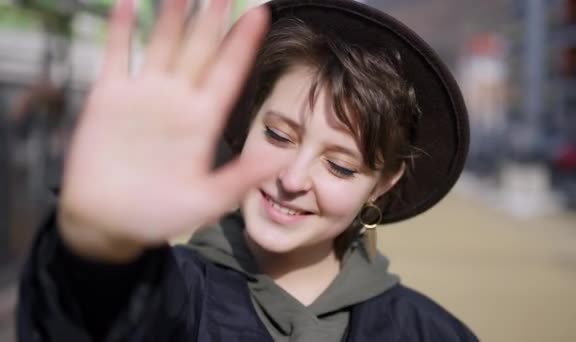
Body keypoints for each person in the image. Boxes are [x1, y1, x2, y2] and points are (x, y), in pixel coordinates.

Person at [17, 0, 476, 341]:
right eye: (278, 136)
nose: (292, 179)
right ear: (248, 122)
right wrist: (96, 245)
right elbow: (82, 317)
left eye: (339, 165)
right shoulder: (165, 297)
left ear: (383, 183)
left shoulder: (433, 333)